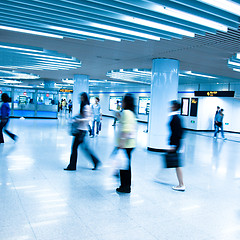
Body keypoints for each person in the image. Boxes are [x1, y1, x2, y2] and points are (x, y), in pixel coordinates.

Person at [64, 92, 101, 171]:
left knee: (75, 148)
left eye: (81, 97)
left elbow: (88, 118)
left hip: (81, 131)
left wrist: (78, 120)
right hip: (80, 130)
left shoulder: (86, 107)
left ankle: (72, 166)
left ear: (84, 98)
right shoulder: (83, 107)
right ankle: (95, 161)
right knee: (83, 148)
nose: (80, 99)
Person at [116, 94, 137, 193]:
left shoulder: (126, 112)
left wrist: (121, 144)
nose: (122, 103)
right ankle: (126, 186)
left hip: (126, 144)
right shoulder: (131, 113)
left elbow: (126, 130)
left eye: (123, 101)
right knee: (126, 166)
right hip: (130, 144)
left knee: (124, 167)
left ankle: (125, 187)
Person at [168, 100, 185, 191]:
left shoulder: (175, 118)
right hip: (176, 143)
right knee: (176, 164)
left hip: (176, 144)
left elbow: (177, 132)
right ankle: (181, 183)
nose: (170, 107)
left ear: (174, 107)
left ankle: (181, 184)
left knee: (177, 164)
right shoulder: (176, 117)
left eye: (171, 106)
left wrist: (173, 145)